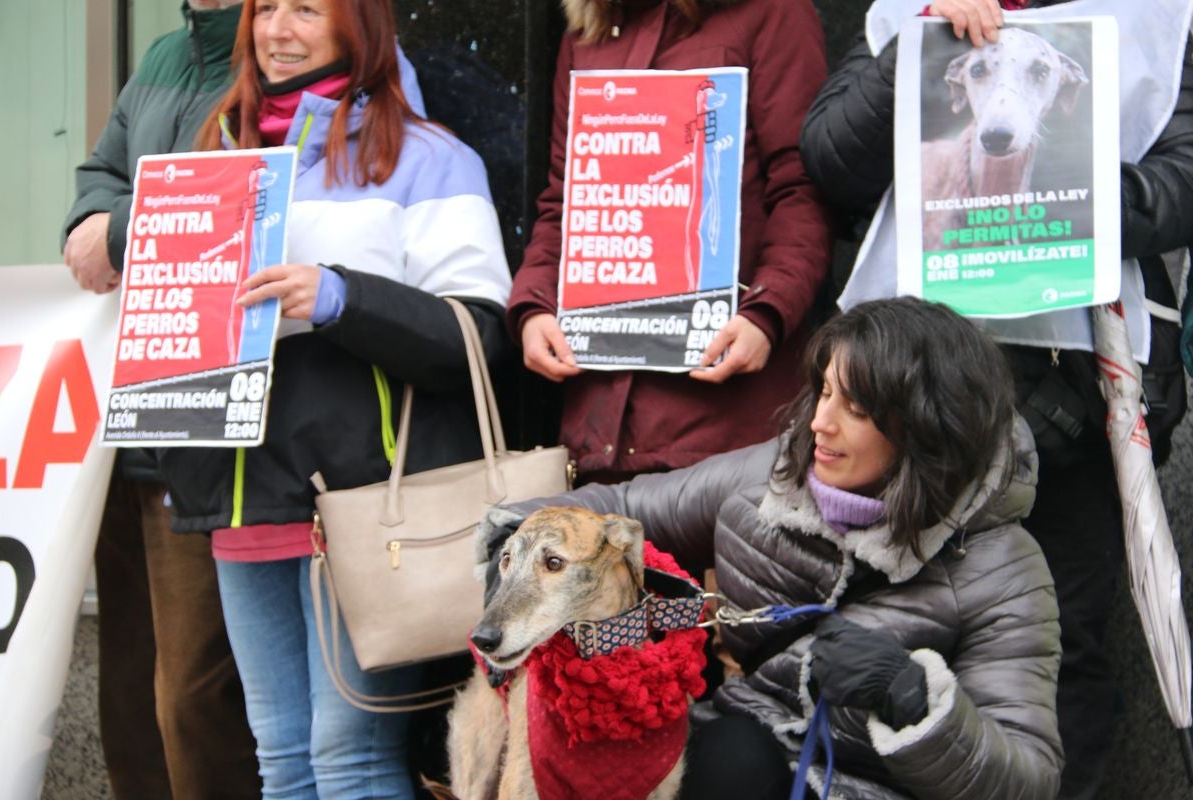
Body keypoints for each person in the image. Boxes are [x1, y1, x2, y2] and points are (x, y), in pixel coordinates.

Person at [798, 1, 1193, 796]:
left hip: (1074, 402)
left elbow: (1180, 180)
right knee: (890, 636)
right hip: (911, 398)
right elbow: (830, 160)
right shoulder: (914, 13)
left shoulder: (1148, 14)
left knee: (1057, 648)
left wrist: (1066, 187)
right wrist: (920, 42)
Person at [478, 296, 1062, 800]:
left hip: (871, 783)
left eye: (854, 409)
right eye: (824, 392)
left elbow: (1028, 779)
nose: (820, 425)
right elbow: (630, 510)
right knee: (721, 756)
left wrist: (910, 697)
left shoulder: (1003, 568)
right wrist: (516, 539)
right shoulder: (778, 473)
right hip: (747, 752)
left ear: (928, 429)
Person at [153, 0, 512, 796]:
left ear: (361, 24)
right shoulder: (209, 158)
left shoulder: (431, 158)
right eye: (265, 8)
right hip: (241, 497)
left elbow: (479, 340)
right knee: (280, 758)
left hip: (361, 511)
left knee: (347, 758)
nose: (277, 30)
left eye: (305, 9)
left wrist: (340, 296)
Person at [60, 3, 261, 797]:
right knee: (129, 681)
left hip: (212, 426)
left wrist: (114, 235)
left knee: (194, 694)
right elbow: (95, 178)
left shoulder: (278, 51)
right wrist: (99, 218)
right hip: (126, 419)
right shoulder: (164, 56)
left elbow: (235, 204)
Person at [508, 0, 833, 485]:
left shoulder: (771, 10)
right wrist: (533, 307)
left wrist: (767, 314)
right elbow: (565, 198)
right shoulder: (588, 31)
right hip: (601, 428)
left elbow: (803, 188)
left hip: (726, 425)